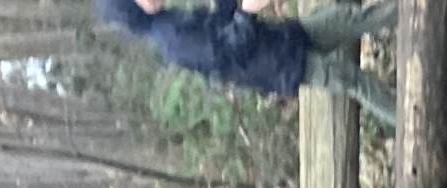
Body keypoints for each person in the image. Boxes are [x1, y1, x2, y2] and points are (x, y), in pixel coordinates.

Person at [93, 0, 400, 131]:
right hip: (279, 65)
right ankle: (411, 120)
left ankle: (417, 8)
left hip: (284, 39)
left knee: (351, 18)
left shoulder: (169, 21)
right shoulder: (171, 37)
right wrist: (248, 12)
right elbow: (230, 53)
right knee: (354, 81)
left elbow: (221, 24)